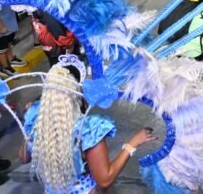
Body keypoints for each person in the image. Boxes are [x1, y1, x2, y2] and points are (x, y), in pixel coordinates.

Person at [21, 59, 158, 193]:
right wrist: (132, 143)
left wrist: (31, 125)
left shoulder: (36, 119)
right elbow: (104, 180)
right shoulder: (88, 128)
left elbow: (24, 157)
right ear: (77, 92)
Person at [0, 6, 27, 78]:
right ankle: (4, 68)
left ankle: (11, 59)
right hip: (1, 21)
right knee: (1, 46)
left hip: (9, 18)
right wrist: (0, 26)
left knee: (8, 40)